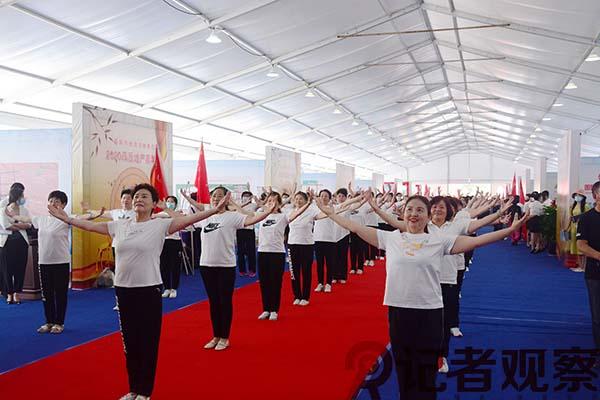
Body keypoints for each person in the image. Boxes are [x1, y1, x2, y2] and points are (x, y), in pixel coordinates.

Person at [315, 193, 528, 400]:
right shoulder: (391, 238)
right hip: (399, 311)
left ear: (427, 216)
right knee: (404, 366)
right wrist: (330, 213)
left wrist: (510, 229)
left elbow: (477, 242)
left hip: (429, 313)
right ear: (403, 214)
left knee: (425, 369)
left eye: (419, 210)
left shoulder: (439, 241)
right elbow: (354, 227)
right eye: (409, 209)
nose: (414, 214)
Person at [47, 183, 227, 400]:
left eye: (144, 196)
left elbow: (190, 219)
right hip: (124, 291)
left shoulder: (160, 225)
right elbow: (89, 226)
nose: (138, 199)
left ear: (154, 203)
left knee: (147, 341)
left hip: (149, 290)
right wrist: (66, 219)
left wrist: (214, 210)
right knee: (130, 343)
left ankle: (145, 391)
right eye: (136, 197)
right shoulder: (120, 225)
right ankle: (133, 388)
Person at [199, 186, 275, 351]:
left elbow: (251, 220)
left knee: (224, 301)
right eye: (214, 196)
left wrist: (268, 211)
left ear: (226, 199)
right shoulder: (205, 216)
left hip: (225, 266)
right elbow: (183, 219)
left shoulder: (232, 216)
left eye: (220, 196)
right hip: (206, 265)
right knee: (213, 302)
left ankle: (224, 337)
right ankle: (216, 336)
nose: (216, 198)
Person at [255, 191, 311, 320]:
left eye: (275, 201)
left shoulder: (283, 216)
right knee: (264, 283)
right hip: (262, 252)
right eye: (269, 201)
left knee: (275, 282)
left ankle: (274, 310)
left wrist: (307, 203)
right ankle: (266, 309)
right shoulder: (261, 215)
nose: (272, 203)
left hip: (277, 253)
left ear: (280, 203)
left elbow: (297, 213)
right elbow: (244, 214)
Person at [577, 181, 600, 366]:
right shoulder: (586, 218)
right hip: (595, 273)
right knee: (598, 316)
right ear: (595, 196)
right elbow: (581, 245)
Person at [0, 186, 31, 305]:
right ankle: (9, 293)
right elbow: (6, 226)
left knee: (20, 268)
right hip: (6, 243)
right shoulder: (3, 209)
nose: (23, 198)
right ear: (16, 196)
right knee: (7, 270)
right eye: (21, 195)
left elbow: (29, 224)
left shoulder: (24, 210)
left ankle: (17, 293)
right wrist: (20, 225)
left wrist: (15, 224)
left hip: (21, 242)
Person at [157, 196, 184, 298]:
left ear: (175, 204)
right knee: (164, 266)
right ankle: (167, 288)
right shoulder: (161, 214)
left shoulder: (177, 213)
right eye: (168, 201)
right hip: (163, 242)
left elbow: (180, 219)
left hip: (175, 242)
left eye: (172, 202)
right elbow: (155, 216)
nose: (169, 203)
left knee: (175, 266)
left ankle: (174, 288)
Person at [236, 191, 258, 277]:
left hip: (250, 229)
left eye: (248, 196)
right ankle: (242, 270)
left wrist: (255, 199)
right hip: (240, 229)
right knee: (240, 251)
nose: (246, 197)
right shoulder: (238, 205)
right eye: (244, 196)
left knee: (251, 250)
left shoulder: (253, 205)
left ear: (250, 197)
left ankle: (252, 270)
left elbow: (262, 204)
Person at [569, 190, 590, 272]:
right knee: (576, 247)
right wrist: (568, 228)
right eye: (576, 195)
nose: (577, 197)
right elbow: (571, 218)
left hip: (582, 228)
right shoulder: (573, 206)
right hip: (574, 228)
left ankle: (584, 267)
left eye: (579, 195)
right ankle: (580, 266)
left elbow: (588, 218)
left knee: (582, 247)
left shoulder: (586, 206)